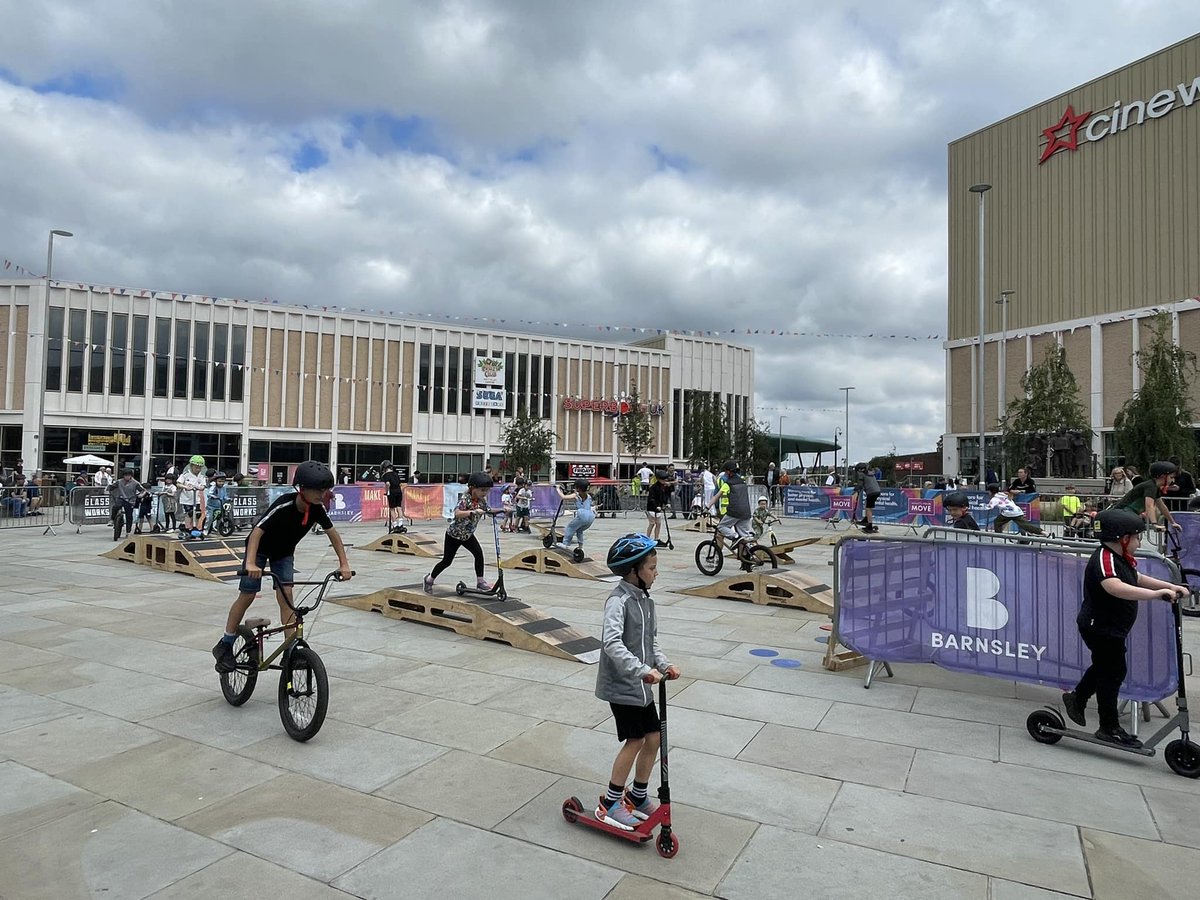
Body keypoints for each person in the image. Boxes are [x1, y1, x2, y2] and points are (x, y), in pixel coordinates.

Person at [1061, 509, 1188, 747]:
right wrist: (1156, 595)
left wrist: (1170, 586)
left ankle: (1077, 698)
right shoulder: (1104, 558)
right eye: (1137, 537)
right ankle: (1108, 726)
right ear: (1123, 538)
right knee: (1113, 671)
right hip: (1099, 626)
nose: (1140, 542)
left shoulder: (1120, 558)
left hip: (1112, 626)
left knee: (1106, 666)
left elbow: (1136, 578)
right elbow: (1114, 587)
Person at [212, 461, 352, 673]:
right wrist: (250, 563)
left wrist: (344, 564)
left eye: (325, 489)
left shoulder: (316, 509)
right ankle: (225, 644)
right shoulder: (284, 505)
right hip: (258, 550)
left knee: (287, 596)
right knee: (248, 594)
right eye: (318, 489)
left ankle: (292, 650)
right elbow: (257, 532)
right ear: (302, 489)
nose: (322, 493)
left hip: (283, 553)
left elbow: (333, 535)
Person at [593, 533, 680, 829]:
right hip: (622, 685)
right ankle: (610, 803)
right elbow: (612, 643)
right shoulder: (618, 601)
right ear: (633, 571)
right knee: (636, 740)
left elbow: (650, 641)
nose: (656, 573)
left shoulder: (646, 601)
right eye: (652, 568)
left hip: (642, 685)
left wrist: (663, 664)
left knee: (654, 738)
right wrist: (641, 670)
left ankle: (638, 795)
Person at [424, 472, 494, 594]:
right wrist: (472, 512)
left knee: (478, 554)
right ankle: (429, 579)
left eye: (487, 491)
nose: (485, 493)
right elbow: (457, 513)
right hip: (454, 535)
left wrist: (504, 510)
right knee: (447, 561)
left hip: (467, 535)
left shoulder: (481, 501)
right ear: (472, 488)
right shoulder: (465, 499)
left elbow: (489, 511)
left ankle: (480, 581)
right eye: (482, 490)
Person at [1112, 460, 1181, 530]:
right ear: (1163, 476)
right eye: (1171, 477)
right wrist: (1154, 524)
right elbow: (1149, 505)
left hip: (1126, 515)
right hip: (1121, 514)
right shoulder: (1151, 486)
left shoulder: (1155, 487)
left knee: (1135, 538)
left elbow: (1162, 506)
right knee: (1132, 538)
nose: (1173, 481)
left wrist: (1173, 522)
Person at [715, 460, 753, 549]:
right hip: (745, 511)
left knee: (721, 530)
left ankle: (718, 555)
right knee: (744, 536)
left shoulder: (726, 482)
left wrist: (709, 507)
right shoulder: (742, 481)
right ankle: (747, 557)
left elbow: (716, 495)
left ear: (728, 471)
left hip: (731, 511)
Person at [555, 478, 597, 554]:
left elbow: (563, 497)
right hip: (591, 516)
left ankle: (565, 544)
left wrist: (558, 489)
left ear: (578, 488)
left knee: (570, 527)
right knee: (579, 530)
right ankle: (580, 547)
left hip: (582, 515)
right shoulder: (588, 496)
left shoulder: (576, 495)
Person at [177, 455, 208, 534]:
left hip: (196, 499)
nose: (198, 469)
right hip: (187, 499)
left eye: (199, 467)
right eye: (196, 467)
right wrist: (185, 487)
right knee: (189, 514)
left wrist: (202, 487)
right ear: (191, 466)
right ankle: (188, 529)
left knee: (197, 514)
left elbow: (203, 485)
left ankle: (197, 528)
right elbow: (178, 484)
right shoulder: (185, 474)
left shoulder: (201, 476)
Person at [644, 469, 673, 546]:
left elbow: (665, 496)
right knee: (652, 523)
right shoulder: (653, 487)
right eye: (662, 479)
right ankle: (647, 538)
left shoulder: (664, 487)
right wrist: (656, 506)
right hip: (651, 508)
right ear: (658, 479)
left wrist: (667, 503)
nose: (664, 481)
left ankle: (656, 539)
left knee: (659, 523)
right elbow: (651, 498)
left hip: (658, 507)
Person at [110, 467, 141, 539]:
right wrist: (108, 489)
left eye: (128, 475)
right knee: (115, 506)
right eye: (125, 475)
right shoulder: (119, 481)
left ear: (131, 476)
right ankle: (112, 520)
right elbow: (112, 487)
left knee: (129, 515)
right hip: (121, 498)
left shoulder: (135, 483)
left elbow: (143, 490)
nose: (127, 477)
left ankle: (128, 531)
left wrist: (140, 495)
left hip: (130, 500)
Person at [852, 463, 882, 533]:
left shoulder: (861, 474)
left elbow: (860, 484)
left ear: (860, 470)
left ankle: (869, 526)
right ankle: (866, 519)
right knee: (867, 504)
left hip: (871, 492)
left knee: (868, 508)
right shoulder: (870, 473)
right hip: (877, 491)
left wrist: (855, 490)